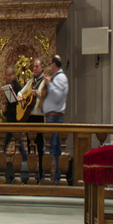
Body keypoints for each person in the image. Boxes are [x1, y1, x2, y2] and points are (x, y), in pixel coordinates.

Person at [0, 65, 31, 184]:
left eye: (10, 75)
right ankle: (3, 161)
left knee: (14, 142)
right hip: (10, 119)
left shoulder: (18, 87)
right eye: (7, 75)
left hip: (15, 119)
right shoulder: (9, 87)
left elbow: (18, 104)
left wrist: (8, 107)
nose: (8, 77)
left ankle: (2, 162)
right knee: (14, 141)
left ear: (14, 75)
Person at [42, 55, 69, 183]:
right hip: (51, 116)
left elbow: (58, 97)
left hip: (55, 117)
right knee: (52, 147)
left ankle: (50, 178)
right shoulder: (56, 78)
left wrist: (49, 84)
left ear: (54, 65)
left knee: (51, 148)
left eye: (50, 64)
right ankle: (51, 177)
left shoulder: (61, 78)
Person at [25, 57, 48, 182]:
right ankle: (31, 172)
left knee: (40, 146)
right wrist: (20, 96)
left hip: (39, 116)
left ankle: (41, 173)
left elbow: (45, 95)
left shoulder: (44, 81)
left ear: (42, 68)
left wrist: (37, 94)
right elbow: (22, 92)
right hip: (30, 116)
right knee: (30, 145)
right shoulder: (30, 81)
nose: (34, 69)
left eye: (37, 66)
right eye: (33, 66)